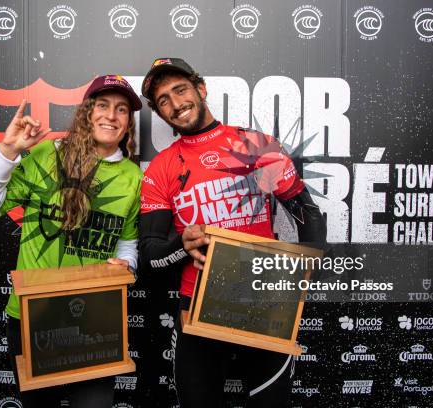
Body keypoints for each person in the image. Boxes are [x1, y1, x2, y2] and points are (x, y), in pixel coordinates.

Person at [138, 58, 327, 407]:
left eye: (180, 90)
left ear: (201, 88)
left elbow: (307, 213)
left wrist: (302, 272)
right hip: (197, 307)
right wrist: (182, 243)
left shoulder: (254, 144)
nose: (175, 103)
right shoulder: (162, 168)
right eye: (163, 99)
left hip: (262, 298)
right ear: (159, 112)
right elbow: (149, 254)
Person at [0, 75, 143, 407]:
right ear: (87, 112)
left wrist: (127, 264)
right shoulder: (48, 153)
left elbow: (127, 242)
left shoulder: (133, 176)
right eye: (103, 105)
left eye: (122, 109)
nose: (112, 115)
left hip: (94, 320)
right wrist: (7, 153)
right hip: (34, 316)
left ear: (128, 123)